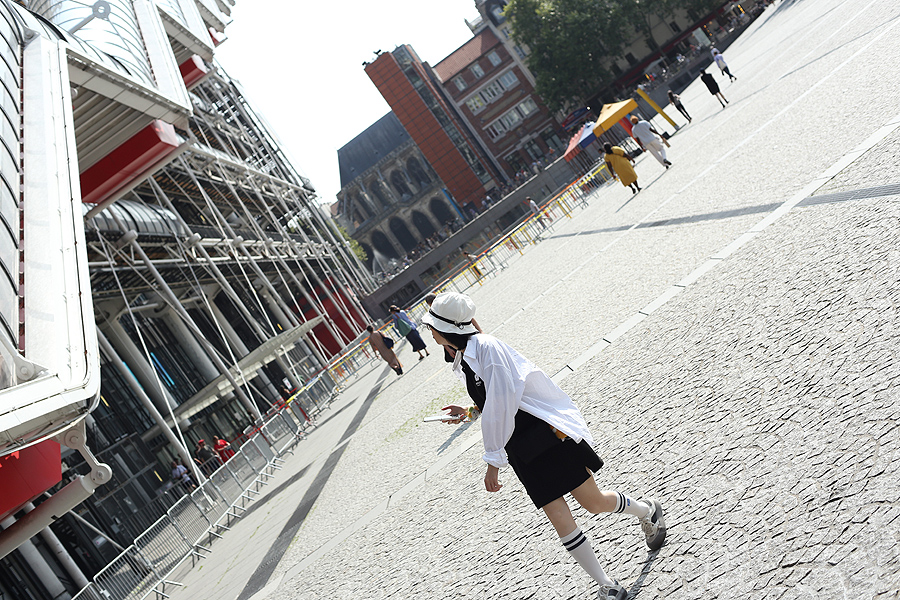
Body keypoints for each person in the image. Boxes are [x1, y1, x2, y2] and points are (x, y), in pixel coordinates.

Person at [422, 293, 666, 600]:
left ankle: (647, 510)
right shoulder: (467, 355)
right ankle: (607, 585)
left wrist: (493, 462)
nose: (430, 333)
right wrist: (470, 411)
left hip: (546, 435)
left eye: (431, 327)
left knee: (593, 502)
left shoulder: (486, 349)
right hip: (520, 446)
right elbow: (493, 399)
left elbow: (502, 402)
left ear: (446, 328)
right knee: (558, 516)